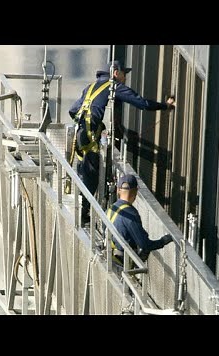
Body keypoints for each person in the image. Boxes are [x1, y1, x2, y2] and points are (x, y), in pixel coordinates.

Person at [69, 60, 176, 226]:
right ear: (115, 73)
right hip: (91, 139)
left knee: (86, 174)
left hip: (80, 135)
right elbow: (142, 103)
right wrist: (165, 106)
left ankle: (83, 212)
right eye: (123, 73)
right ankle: (84, 216)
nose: (125, 77)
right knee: (93, 177)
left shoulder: (89, 87)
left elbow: (73, 110)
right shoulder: (114, 86)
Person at [107, 174, 174, 267]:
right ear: (135, 192)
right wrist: (163, 241)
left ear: (118, 190)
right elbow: (144, 244)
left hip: (109, 258)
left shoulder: (111, 208)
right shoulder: (131, 214)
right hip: (122, 264)